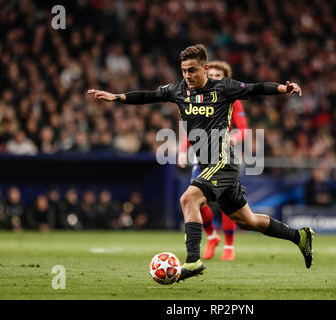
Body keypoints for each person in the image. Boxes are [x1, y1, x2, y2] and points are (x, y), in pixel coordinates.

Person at [87, 44, 313, 282]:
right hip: (207, 164)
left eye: (192, 70)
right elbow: (148, 96)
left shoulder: (223, 87)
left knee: (188, 198)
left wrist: (283, 88)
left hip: (224, 160)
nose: (188, 75)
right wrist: (117, 97)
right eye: (184, 70)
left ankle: (193, 261)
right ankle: (300, 237)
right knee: (248, 220)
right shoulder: (178, 90)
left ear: (205, 68)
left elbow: (256, 88)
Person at [177, 60, 248, 261]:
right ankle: (212, 236)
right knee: (196, 200)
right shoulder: (199, 98)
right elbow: (191, 128)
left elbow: (243, 128)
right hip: (202, 156)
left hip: (224, 156)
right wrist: (183, 151)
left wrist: (234, 137)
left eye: (219, 76)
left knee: (227, 203)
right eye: (213, 75)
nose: (215, 79)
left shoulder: (233, 99)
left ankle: (229, 246)